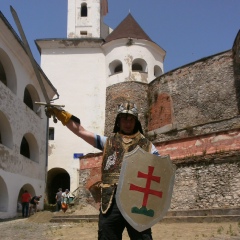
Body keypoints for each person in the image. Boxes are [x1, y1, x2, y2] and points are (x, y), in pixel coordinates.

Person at [45, 101, 160, 240]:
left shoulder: (148, 146)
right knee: (107, 236)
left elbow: (160, 171)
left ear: (136, 122)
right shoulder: (108, 142)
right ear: (118, 121)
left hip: (136, 200)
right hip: (111, 202)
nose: (127, 123)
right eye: (124, 118)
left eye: (131, 119)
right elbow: (81, 131)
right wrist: (62, 115)